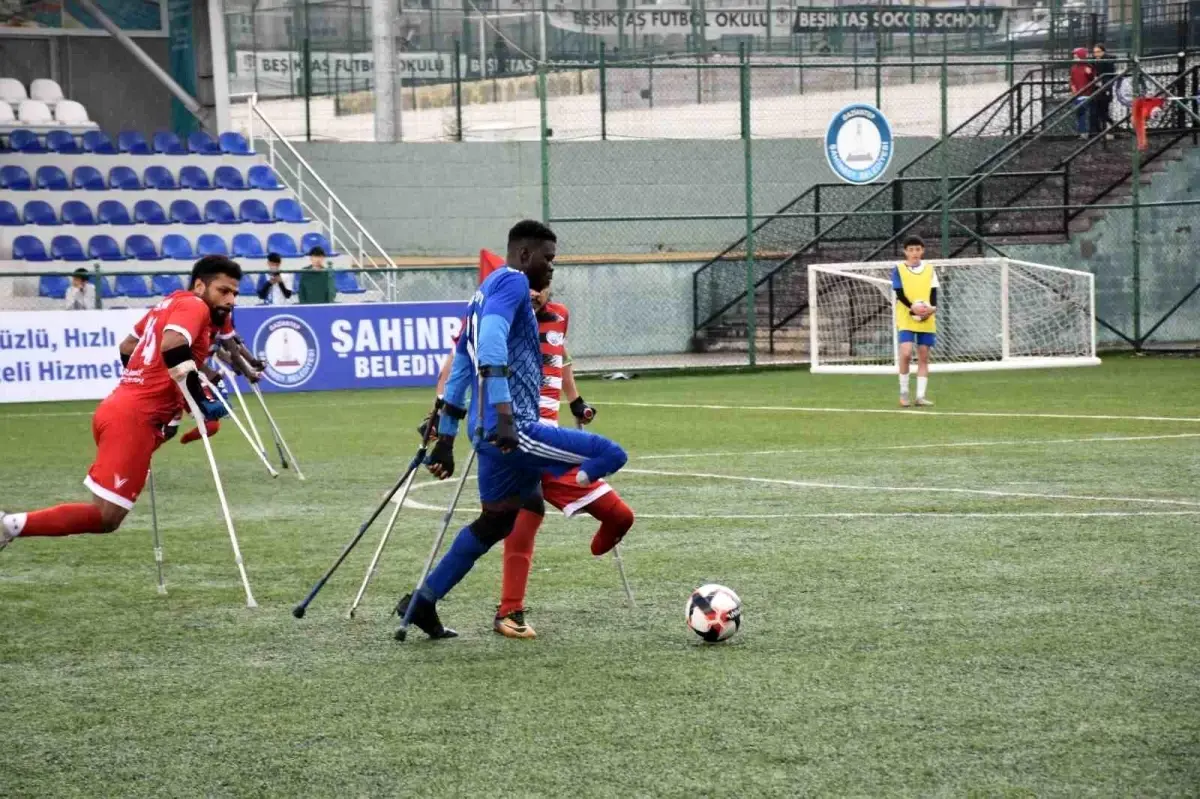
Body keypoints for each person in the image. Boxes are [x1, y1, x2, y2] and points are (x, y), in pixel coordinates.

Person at [394, 220, 628, 640]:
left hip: (487, 434)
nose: (552, 268)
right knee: (610, 453)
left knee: (496, 522)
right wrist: (505, 415)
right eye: (548, 259)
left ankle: (423, 601)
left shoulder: (481, 294)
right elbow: (490, 347)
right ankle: (585, 488)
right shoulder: (515, 285)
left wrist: (446, 438)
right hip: (512, 427)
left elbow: (462, 368)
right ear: (524, 255)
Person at [427, 288, 637, 639]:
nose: (536, 293)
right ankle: (508, 611)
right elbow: (458, 363)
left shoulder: (559, 316)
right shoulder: (498, 315)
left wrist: (576, 401)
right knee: (526, 511)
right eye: (530, 286)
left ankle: (426, 600)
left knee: (620, 515)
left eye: (543, 284)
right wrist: (439, 412)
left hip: (552, 443)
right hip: (514, 438)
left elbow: (561, 361)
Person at [0, 256, 240, 549]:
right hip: (134, 419)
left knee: (106, 514)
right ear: (200, 285)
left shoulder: (169, 303)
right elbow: (173, 347)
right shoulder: (195, 305)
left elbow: (127, 346)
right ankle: (6, 526)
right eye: (223, 290)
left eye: (235, 293)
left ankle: (7, 526)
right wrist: (199, 399)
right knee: (106, 517)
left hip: (120, 408)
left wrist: (152, 389)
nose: (230, 300)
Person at [891, 235, 939, 408]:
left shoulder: (930, 269)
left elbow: (934, 293)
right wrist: (913, 307)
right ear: (905, 252)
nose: (915, 253)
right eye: (911, 250)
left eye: (918, 249)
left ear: (922, 250)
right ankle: (904, 393)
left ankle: (920, 396)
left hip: (926, 317)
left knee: (924, 355)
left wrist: (932, 308)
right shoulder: (898, 269)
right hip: (906, 316)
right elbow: (899, 293)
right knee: (905, 352)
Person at [1091, 43, 1116, 137]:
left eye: (1098, 52)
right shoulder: (1093, 61)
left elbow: (1111, 76)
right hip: (1096, 89)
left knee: (1103, 111)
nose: (1096, 54)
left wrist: (1102, 82)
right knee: (1097, 111)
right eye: (1094, 52)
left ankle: (1110, 128)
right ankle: (1102, 131)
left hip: (1105, 89)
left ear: (1103, 52)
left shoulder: (1108, 61)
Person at [1070, 47, 1095, 137]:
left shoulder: (1088, 67)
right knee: (1080, 113)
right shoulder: (1073, 67)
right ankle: (1082, 132)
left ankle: (1087, 132)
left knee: (1086, 113)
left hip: (1087, 93)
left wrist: (1090, 74)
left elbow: (1092, 79)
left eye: (1076, 56)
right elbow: (1072, 79)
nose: (1075, 58)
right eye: (1074, 56)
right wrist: (1072, 87)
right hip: (1077, 94)